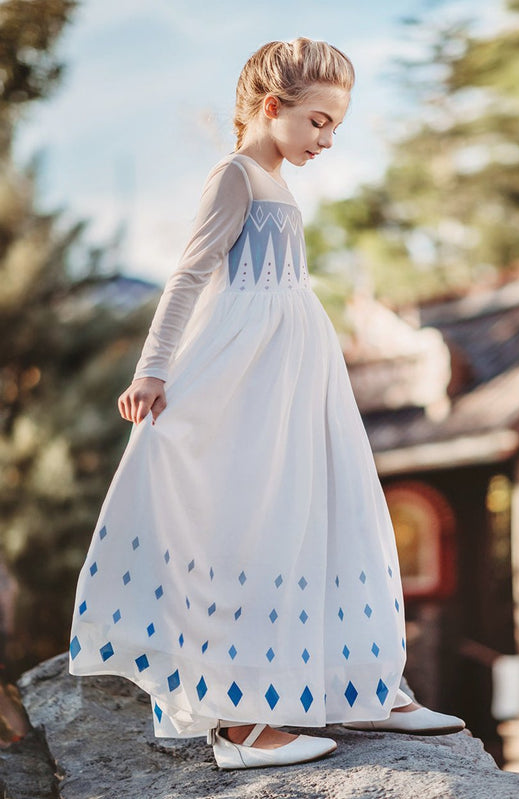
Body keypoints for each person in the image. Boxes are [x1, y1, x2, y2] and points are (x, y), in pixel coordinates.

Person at [68, 37, 464, 771]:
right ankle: (241, 724)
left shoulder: (276, 180)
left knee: (333, 509)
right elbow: (189, 275)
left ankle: (361, 684)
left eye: (335, 125)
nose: (328, 139)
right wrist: (153, 369)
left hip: (298, 373)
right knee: (254, 521)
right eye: (319, 121)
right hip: (245, 374)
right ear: (273, 106)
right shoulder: (236, 176)